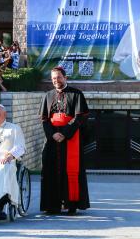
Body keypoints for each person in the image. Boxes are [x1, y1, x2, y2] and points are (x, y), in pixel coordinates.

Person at [40, 67, 90, 215]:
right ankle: (52, 205)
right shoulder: (47, 95)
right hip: (52, 140)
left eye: (59, 77)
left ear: (65, 77)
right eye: (53, 78)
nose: (56, 81)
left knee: (71, 172)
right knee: (50, 171)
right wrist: (53, 134)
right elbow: (44, 119)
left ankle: (72, 204)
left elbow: (79, 117)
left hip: (70, 138)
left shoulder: (76, 94)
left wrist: (65, 133)